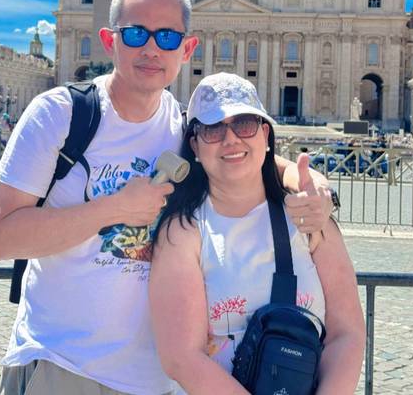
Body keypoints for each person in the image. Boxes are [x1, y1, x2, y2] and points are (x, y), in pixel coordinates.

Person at [0, 0, 333, 395]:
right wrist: (113, 209)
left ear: (186, 49)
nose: (151, 49)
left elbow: (254, 156)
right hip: (63, 366)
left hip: (157, 380)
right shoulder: (59, 114)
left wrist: (318, 187)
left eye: (166, 36)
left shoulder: (184, 129)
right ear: (110, 41)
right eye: (135, 34)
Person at [150, 73, 365, 395]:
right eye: (212, 129)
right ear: (194, 144)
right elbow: (181, 357)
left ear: (265, 135)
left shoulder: (311, 216)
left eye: (245, 124)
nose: (231, 139)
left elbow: (346, 333)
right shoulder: (183, 230)